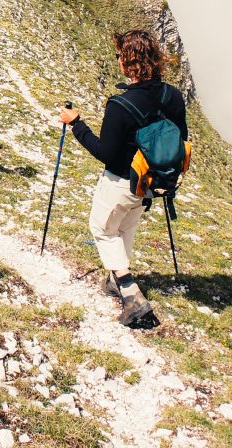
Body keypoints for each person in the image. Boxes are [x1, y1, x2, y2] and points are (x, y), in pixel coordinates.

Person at [59, 30, 188, 327]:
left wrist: (76, 123)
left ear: (127, 63)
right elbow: (182, 137)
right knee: (125, 227)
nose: (117, 60)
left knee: (103, 229)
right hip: (152, 182)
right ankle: (115, 279)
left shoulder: (120, 105)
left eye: (119, 56)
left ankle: (130, 294)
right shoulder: (173, 96)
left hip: (122, 181)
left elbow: (107, 153)